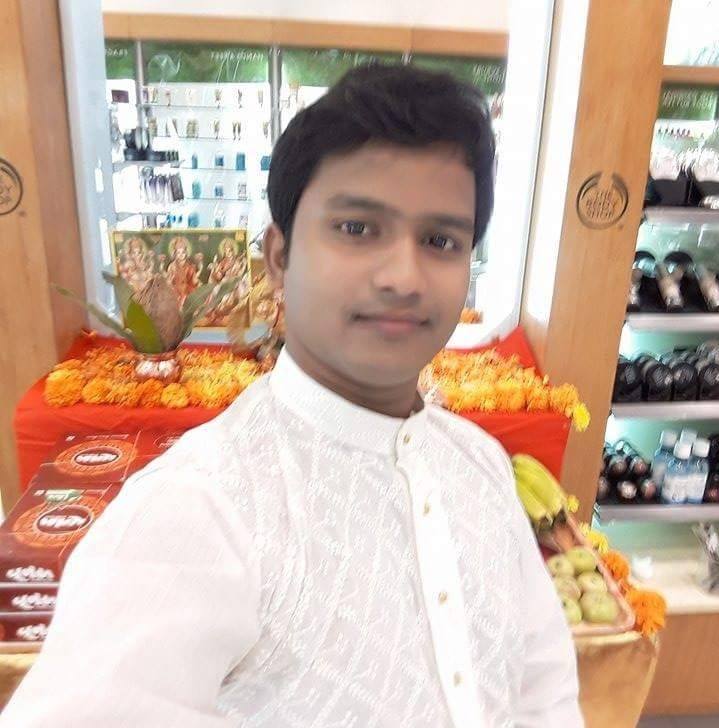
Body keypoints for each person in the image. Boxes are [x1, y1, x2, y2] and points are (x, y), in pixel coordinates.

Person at [1, 64, 582, 727]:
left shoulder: (481, 466)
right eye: (357, 228)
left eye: (440, 241)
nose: (403, 276)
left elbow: (543, 689)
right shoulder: (199, 508)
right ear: (278, 256)